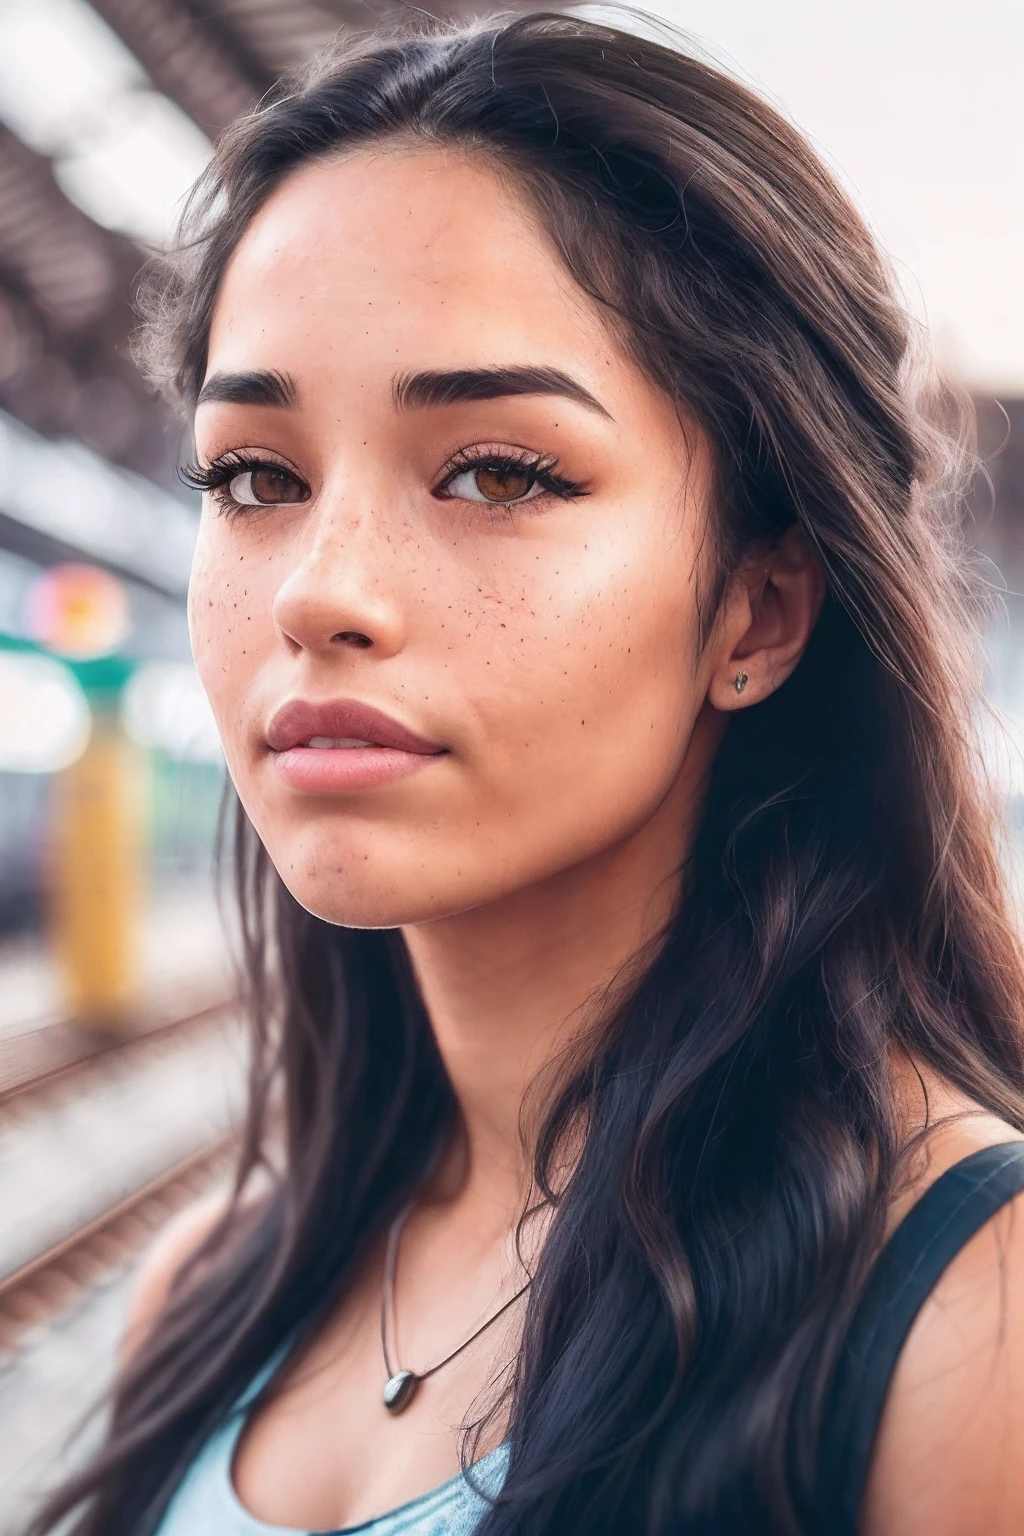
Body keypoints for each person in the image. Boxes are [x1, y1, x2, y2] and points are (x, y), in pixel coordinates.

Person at [33, 9, 1024, 1535]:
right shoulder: (210, 1292)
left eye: (499, 471)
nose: (317, 589)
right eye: (256, 477)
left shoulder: (968, 1325)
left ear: (756, 611)